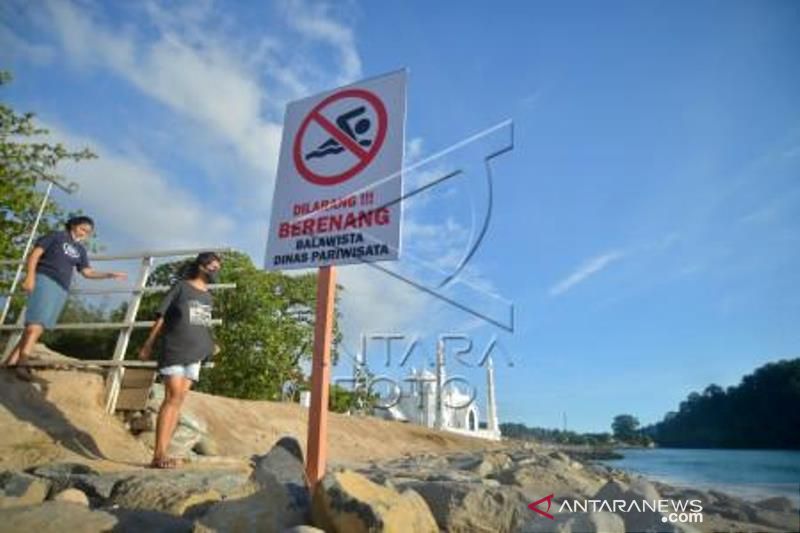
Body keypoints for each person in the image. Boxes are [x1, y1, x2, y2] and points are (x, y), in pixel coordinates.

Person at [3, 216, 127, 378]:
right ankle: (22, 363)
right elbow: (34, 255)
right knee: (35, 324)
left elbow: (87, 272)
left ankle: (12, 361)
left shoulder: (80, 250)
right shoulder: (56, 236)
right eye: (83, 229)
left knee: (40, 326)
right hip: (45, 279)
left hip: (61, 288)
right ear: (73, 226)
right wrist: (30, 276)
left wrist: (109, 274)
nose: (85, 233)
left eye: (88, 232)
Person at [138, 252, 221, 469]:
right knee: (173, 396)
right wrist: (148, 343)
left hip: (197, 352)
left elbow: (203, 324)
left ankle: (163, 454)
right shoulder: (181, 287)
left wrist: (212, 344)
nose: (215, 270)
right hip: (174, 348)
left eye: (217, 267)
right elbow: (162, 315)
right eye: (212, 266)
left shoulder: (209, 297)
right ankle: (158, 454)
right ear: (201, 266)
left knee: (179, 400)